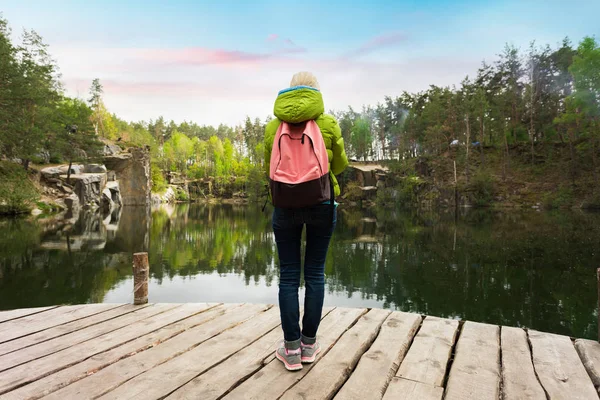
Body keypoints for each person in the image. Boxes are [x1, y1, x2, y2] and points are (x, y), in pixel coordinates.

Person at [264, 71, 349, 371]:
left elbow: (269, 168)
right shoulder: (327, 123)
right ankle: (309, 345)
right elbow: (340, 164)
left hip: (284, 205)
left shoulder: (274, 126)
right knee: (315, 274)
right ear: (315, 92)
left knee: (288, 276)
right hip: (321, 203)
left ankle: (290, 350)